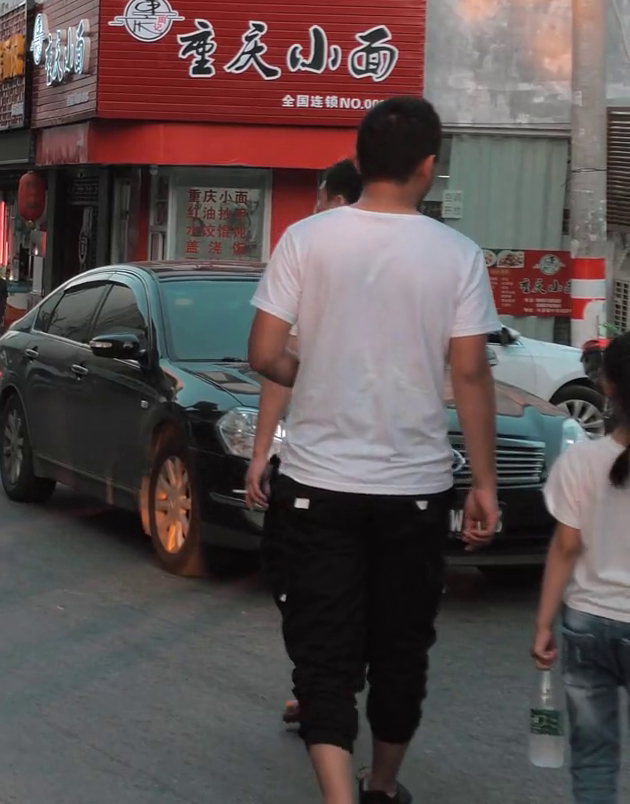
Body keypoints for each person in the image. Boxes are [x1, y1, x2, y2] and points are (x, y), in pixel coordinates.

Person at [247, 97, 500, 804]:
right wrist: (484, 483)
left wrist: (315, 370)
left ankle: (339, 797)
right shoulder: (457, 255)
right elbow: (471, 373)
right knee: (400, 648)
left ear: (358, 162)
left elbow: (264, 354)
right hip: (414, 489)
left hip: (316, 485)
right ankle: (382, 786)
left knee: (322, 650)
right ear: (429, 167)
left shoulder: (306, 240)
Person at [249, 158, 363, 726]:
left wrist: (261, 453)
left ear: (336, 199)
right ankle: (334, 683)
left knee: (298, 578)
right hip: (401, 471)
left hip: (318, 468)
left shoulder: (309, 254)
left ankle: (324, 686)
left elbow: (273, 361)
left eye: (320, 197)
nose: (315, 208)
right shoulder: (420, 256)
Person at [534, 334, 630, 804]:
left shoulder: (580, 461)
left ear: (607, 385)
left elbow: (565, 547)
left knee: (593, 758)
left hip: (587, 623)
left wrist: (543, 625)